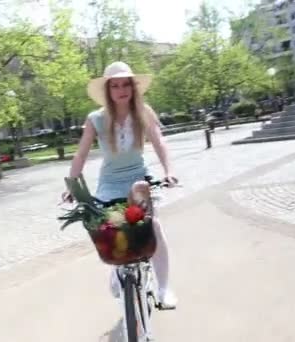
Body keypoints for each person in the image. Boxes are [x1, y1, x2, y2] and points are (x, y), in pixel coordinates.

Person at [62, 61, 178, 308]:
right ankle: (116, 271)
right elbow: (80, 154)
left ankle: (164, 289)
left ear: (133, 88)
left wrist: (169, 171)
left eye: (126, 84)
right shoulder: (96, 119)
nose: (121, 89)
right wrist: (72, 185)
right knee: (111, 231)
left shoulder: (143, 112)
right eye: (115, 85)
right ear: (108, 90)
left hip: (139, 180)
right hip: (110, 183)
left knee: (152, 226)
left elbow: (159, 142)